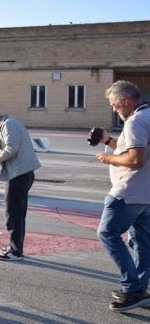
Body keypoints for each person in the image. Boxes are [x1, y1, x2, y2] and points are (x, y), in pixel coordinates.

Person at [91, 80, 150, 312]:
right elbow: (135, 150)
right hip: (145, 193)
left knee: (107, 233)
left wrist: (108, 157)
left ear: (124, 100)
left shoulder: (135, 121)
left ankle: (132, 289)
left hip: (128, 190)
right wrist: (108, 141)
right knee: (143, 243)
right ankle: (140, 289)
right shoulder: (146, 116)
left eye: (115, 105)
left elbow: (136, 159)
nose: (115, 110)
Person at [0, 107, 41, 261]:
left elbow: (11, 148)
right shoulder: (9, 124)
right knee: (18, 213)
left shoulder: (9, 125)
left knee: (13, 213)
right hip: (22, 173)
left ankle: (15, 252)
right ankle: (15, 247)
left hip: (19, 174)